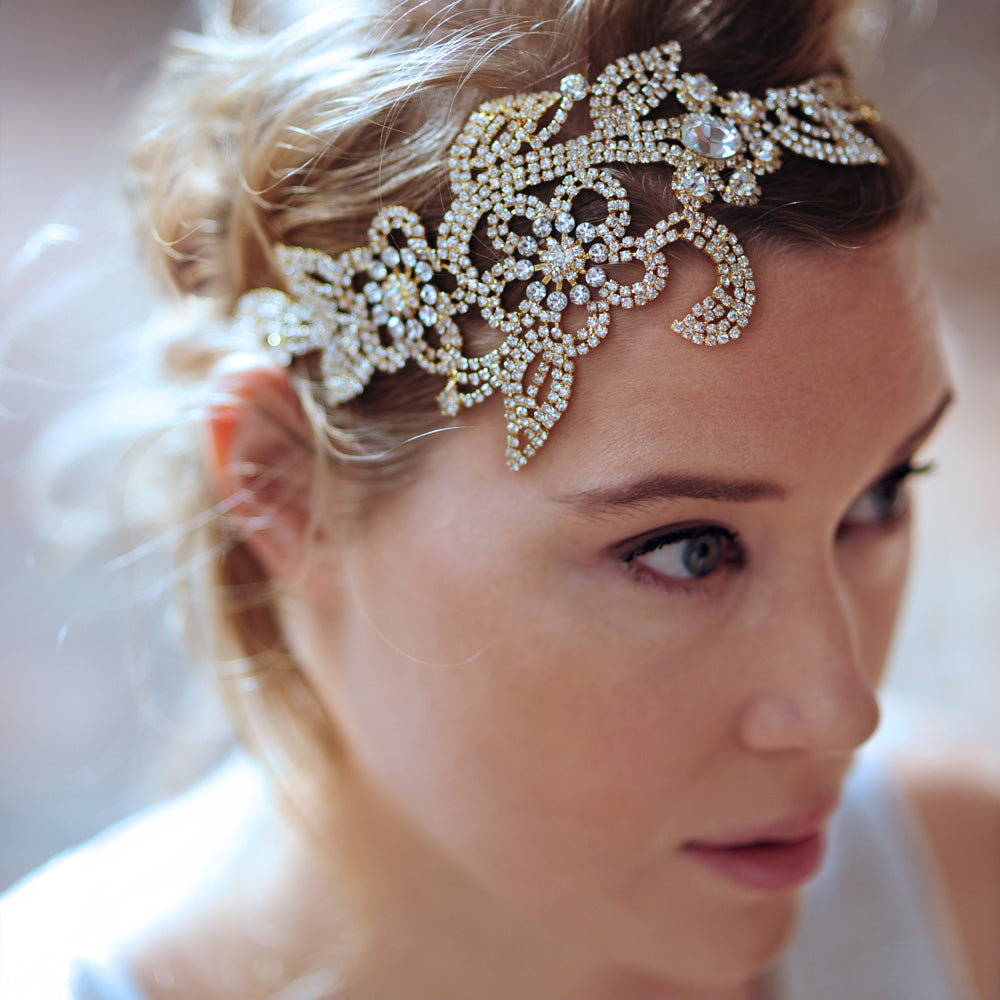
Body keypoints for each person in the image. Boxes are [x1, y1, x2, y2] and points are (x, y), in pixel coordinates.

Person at [2, 0, 997, 998]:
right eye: (688, 550)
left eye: (878, 498)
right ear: (285, 486)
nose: (840, 711)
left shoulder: (956, 889)